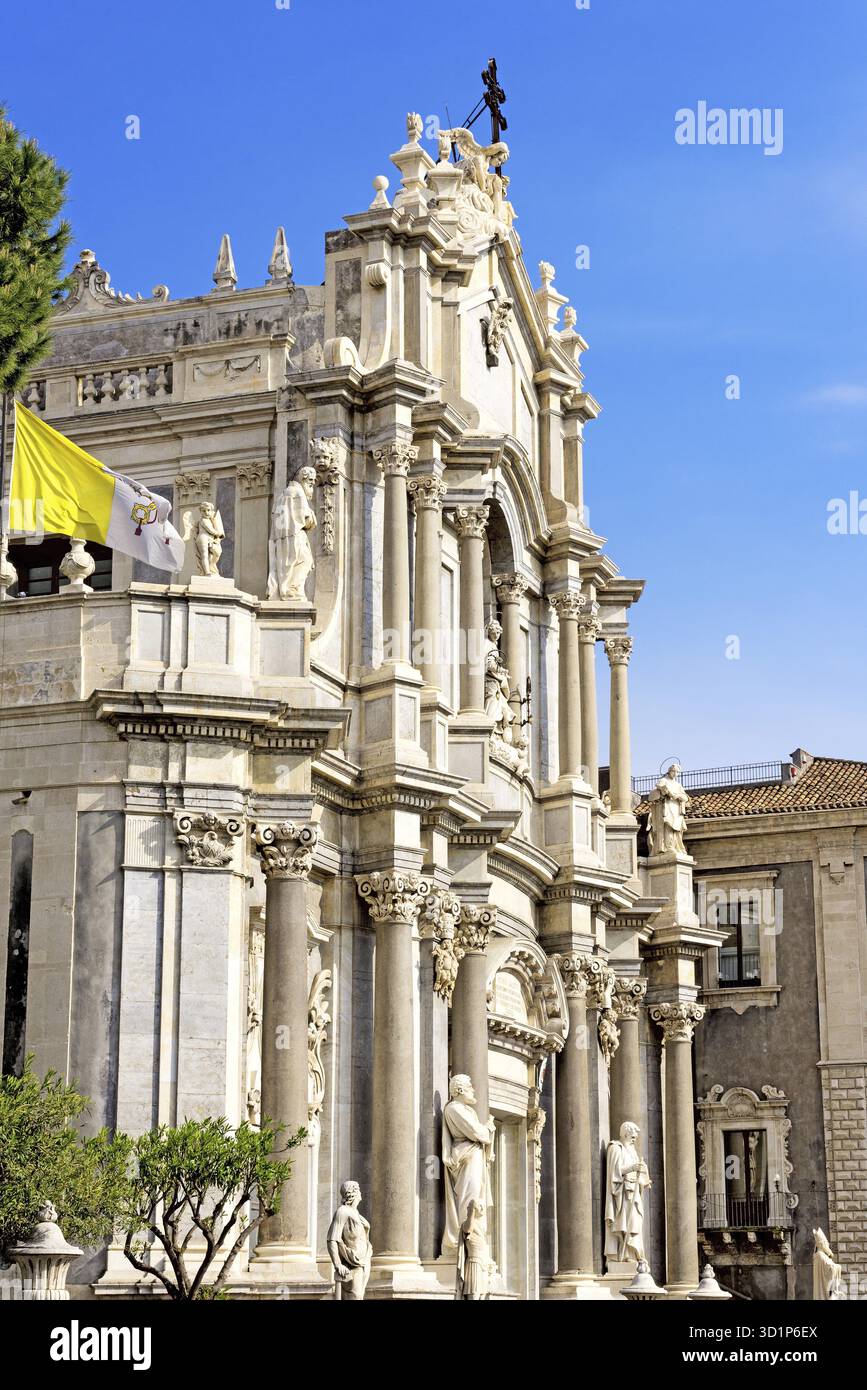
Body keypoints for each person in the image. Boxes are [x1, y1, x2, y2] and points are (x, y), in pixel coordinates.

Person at [441, 1074, 495, 1256]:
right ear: (460, 1090)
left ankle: (475, 1235)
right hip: (466, 1157)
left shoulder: (467, 1110)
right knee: (469, 1197)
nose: (473, 1090)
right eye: (470, 1086)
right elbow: (476, 1132)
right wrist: (487, 1129)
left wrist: (485, 1131)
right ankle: (466, 1238)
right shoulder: (454, 1109)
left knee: (476, 1195)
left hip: (473, 1156)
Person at [604, 1121, 651, 1263]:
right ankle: (624, 1255)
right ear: (625, 1133)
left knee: (635, 1222)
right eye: (632, 1136)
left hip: (633, 1192)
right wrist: (632, 1168)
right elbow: (614, 1172)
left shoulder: (633, 1152)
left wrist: (644, 1180)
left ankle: (632, 1253)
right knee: (625, 1223)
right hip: (622, 1193)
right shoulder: (616, 1148)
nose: (634, 1139)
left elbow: (637, 1173)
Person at [267, 465, 316, 600]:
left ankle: (289, 589)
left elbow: (277, 519)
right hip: (295, 535)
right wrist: (312, 519)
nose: (312, 484)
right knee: (306, 561)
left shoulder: (284, 494)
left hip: (283, 536)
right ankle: (291, 590)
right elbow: (306, 520)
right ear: (303, 479)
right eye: (310, 481)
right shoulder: (298, 493)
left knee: (288, 564)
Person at [326, 1180, 372, 1301]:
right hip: (351, 1263)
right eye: (359, 1189)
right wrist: (337, 1264)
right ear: (354, 1193)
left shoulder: (356, 1213)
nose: (361, 1192)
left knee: (359, 1297)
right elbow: (332, 1239)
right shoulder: (343, 1211)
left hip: (363, 1262)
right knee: (355, 1297)